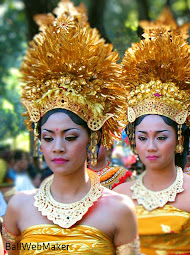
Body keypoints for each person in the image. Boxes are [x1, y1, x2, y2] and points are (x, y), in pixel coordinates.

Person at [2, 1, 139, 254]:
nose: (58, 148)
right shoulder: (19, 207)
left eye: (70, 136)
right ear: (39, 140)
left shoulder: (119, 208)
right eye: (48, 137)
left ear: (92, 138)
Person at [114, 28, 190, 254]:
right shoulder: (120, 195)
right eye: (143, 137)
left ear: (179, 139)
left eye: (161, 137)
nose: (151, 146)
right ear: (134, 142)